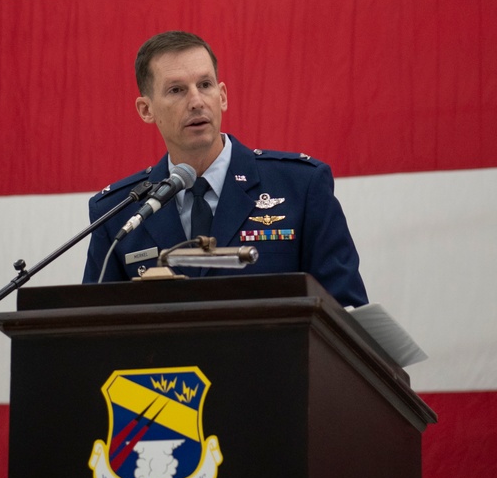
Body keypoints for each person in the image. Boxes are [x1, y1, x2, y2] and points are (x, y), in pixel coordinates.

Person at [82, 30, 367, 305]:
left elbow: (345, 313)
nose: (196, 102)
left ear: (223, 96)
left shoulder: (301, 186)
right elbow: (97, 331)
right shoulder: (119, 213)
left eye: (204, 85)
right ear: (146, 110)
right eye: (176, 90)